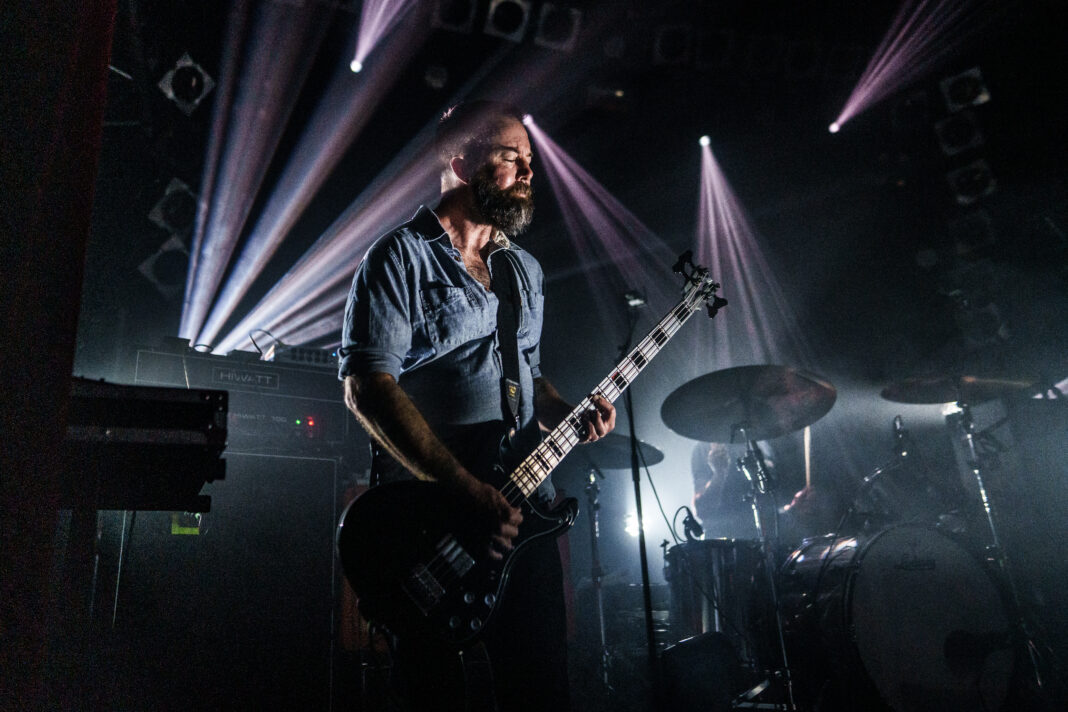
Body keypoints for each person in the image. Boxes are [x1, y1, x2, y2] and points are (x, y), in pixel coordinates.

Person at [338, 100, 615, 712]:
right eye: (511, 157)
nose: (528, 172)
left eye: (531, 162)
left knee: (541, 692)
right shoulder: (399, 258)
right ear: (462, 163)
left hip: (520, 514)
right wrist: (462, 487)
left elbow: (529, 378)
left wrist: (567, 411)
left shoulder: (525, 271)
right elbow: (367, 387)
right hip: (433, 519)